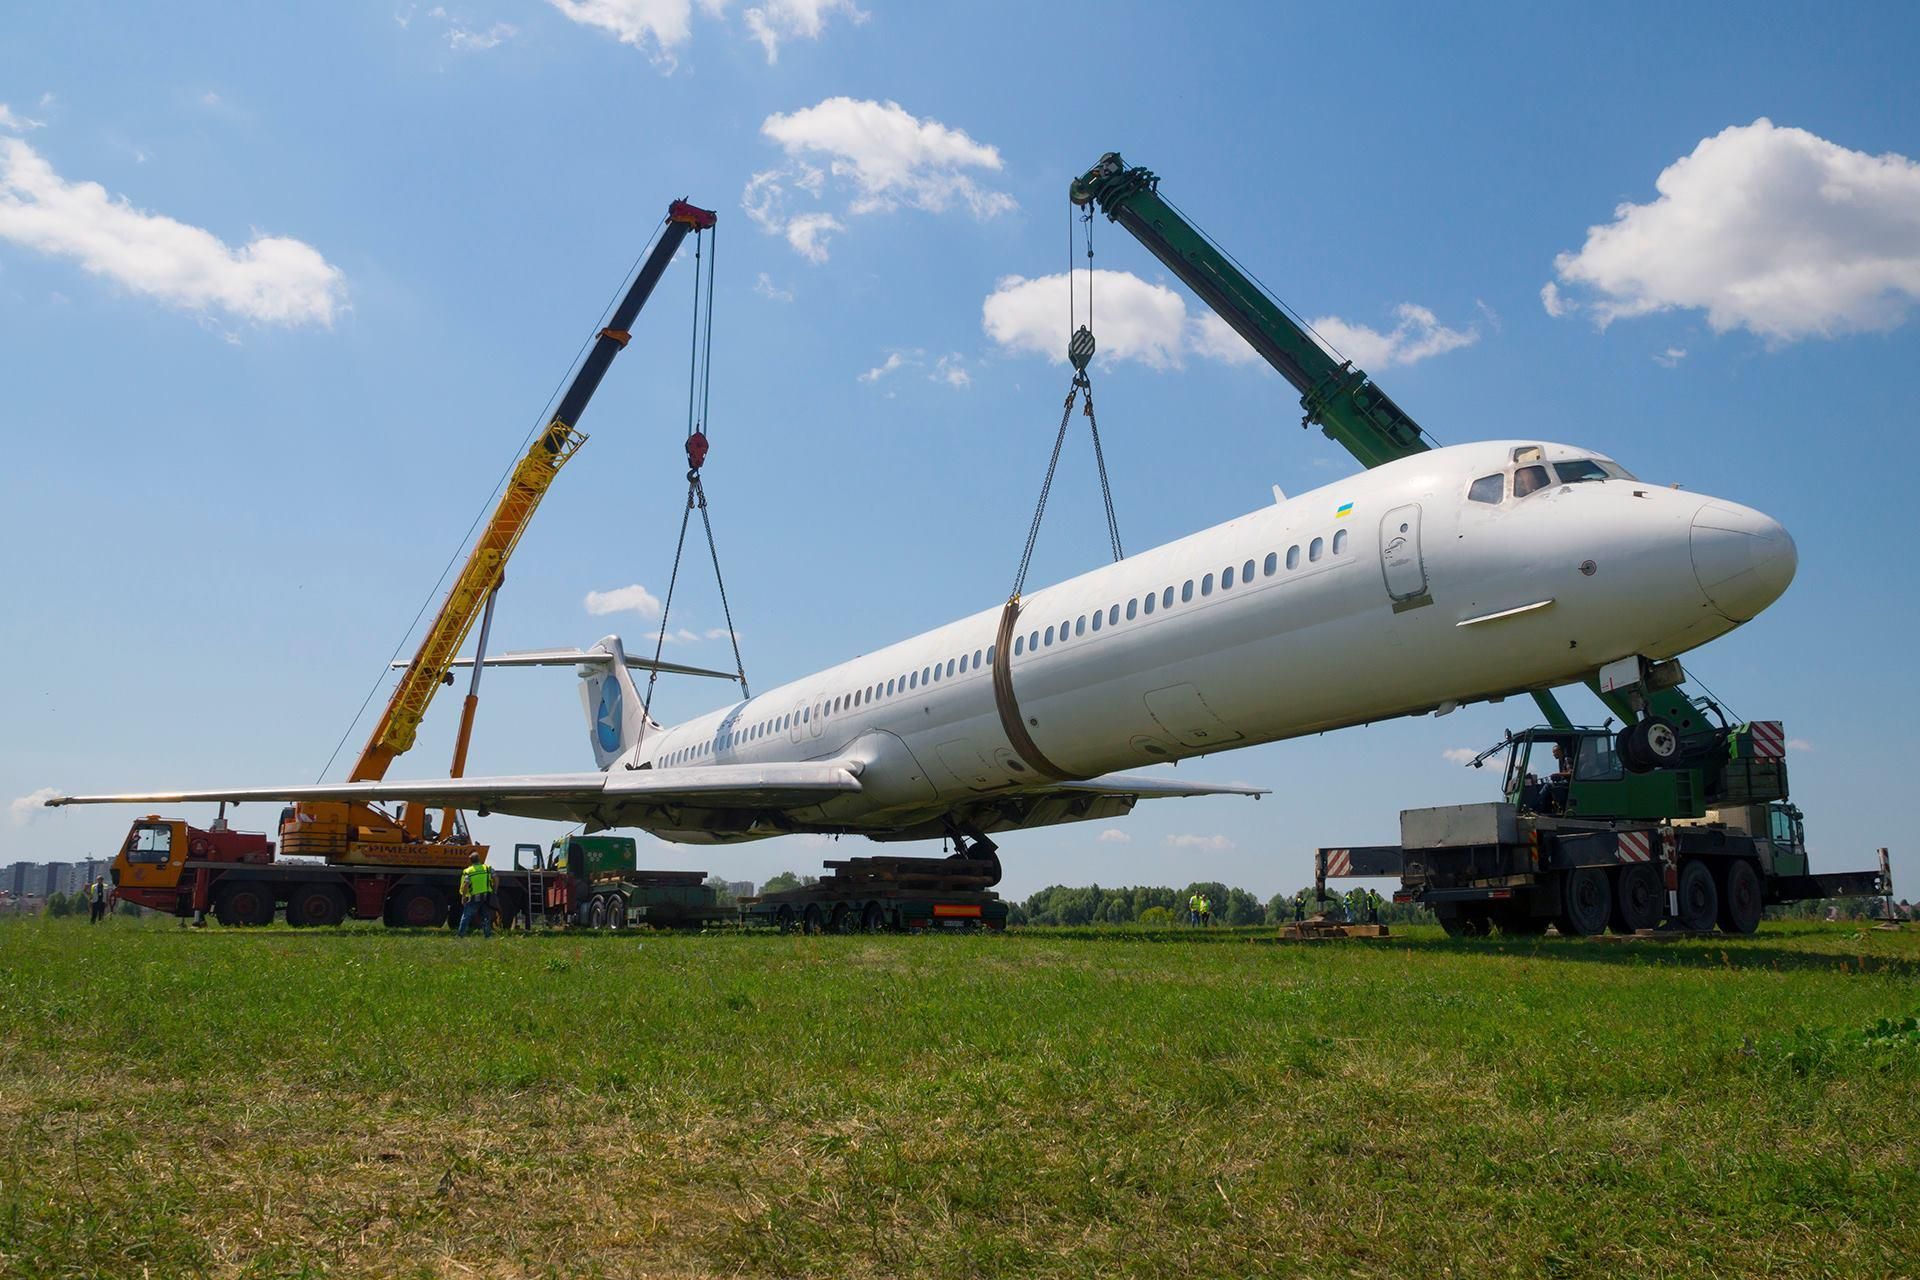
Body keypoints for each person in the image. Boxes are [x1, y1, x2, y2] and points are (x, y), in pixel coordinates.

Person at [458, 852, 495, 937]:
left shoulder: (468, 871)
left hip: (474, 898)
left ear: (470, 861)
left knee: (466, 916)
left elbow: (466, 884)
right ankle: (487, 935)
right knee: (486, 917)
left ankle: (461, 935)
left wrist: (463, 896)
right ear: (479, 859)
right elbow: (496, 878)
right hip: (486, 897)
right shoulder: (487, 868)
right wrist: (494, 890)